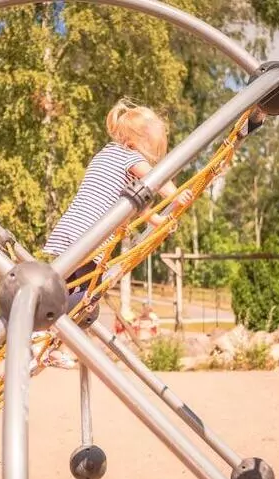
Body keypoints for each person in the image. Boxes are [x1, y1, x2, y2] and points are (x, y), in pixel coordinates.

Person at [37, 99, 192, 369]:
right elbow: (156, 179)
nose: (151, 160)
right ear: (137, 143)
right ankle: (46, 337)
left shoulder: (107, 155)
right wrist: (177, 195)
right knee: (85, 296)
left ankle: (42, 341)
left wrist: (156, 221)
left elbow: (132, 206)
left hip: (72, 230)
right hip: (90, 236)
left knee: (65, 291)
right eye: (152, 153)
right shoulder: (129, 157)